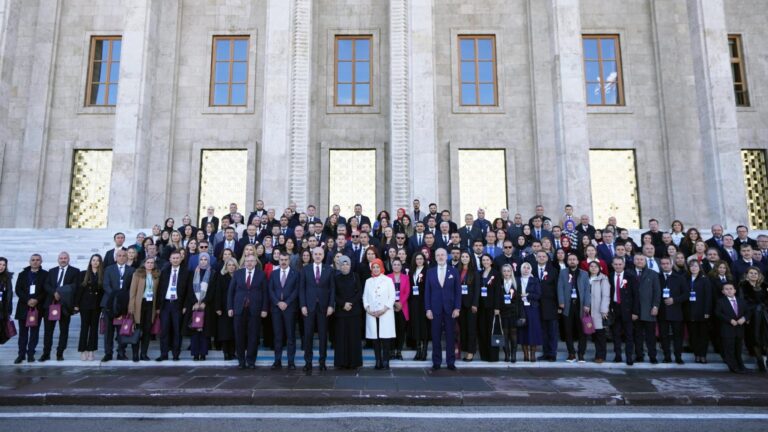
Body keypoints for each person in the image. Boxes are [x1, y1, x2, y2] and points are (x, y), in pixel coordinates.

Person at [228, 255, 268, 369]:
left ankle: (251, 361)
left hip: (255, 309)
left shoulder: (261, 274)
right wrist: (230, 307)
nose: (249, 263)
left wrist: (264, 309)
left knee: (253, 336)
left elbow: (265, 293)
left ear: (256, 262)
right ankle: (241, 361)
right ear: (244, 262)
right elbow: (231, 292)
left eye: (251, 261)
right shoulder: (238, 273)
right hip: (239, 309)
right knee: (239, 336)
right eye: (247, 261)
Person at [424, 248, 462, 370]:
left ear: (447, 257)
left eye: (443, 255)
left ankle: (451, 361)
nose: (440, 257)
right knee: (435, 336)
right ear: (435, 257)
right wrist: (428, 309)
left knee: (450, 336)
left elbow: (458, 291)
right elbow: (427, 292)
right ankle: (436, 361)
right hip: (435, 309)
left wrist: (457, 308)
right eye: (438, 255)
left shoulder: (454, 271)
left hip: (450, 309)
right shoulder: (430, 272)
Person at [300, 247, 335, 371]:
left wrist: (331, 305)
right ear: (312, 255)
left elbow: (332, 289)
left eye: (320, 254)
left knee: (323, 336)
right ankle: (308, 362)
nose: (318, 256)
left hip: (324, 307)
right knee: (308, 335)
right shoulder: (305, 269)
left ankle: (322, 361)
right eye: (316, 254)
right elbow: (302, 289)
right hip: (309, 307)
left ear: (323, 255)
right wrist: (303, 305)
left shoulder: (329, 270)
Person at [41, 251, 80, 362]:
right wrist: (55, 293)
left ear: (68, 259)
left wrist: (61, 293)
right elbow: (46, 285)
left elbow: (75, 287)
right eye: (61, 258)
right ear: (58, 259)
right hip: (51, 304)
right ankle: (46, 353)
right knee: (48, 331)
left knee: (64, 331)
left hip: (65, 305)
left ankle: (60, 353)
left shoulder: (75, 271)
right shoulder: (52, 271)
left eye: (65, 258)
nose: (63, 260)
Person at [156, 251, 190, 361]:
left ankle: (176, 354)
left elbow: (188, 291)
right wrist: (158, 307)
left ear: (181, 259)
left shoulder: (186, 272)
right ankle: (164, 354)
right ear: (170, 260)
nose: (175, 260)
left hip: (178, 304)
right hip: (165, 304)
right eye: (173, 258)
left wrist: (185, 305)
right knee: (164, 330)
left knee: (177, 331)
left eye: (177, 258)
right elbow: (159, 290)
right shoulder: (164, 271)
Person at [13, 254, 48, 364]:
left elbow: (45, 290)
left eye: (37, 260)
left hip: (37, 308)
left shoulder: (45, 274)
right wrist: (28, 300)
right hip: (24, 306)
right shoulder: (22, 274)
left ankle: (31, 354)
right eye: (33, 260)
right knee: (23, 333)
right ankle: (21, 355)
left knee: (34, 333)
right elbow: (18, 289)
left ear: (41, 261)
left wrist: (36, 300)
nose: (35, 262)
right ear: (29, 261)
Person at [101, 249, 134, 361]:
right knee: (109, 331)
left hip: (123, 305)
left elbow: (131, 288)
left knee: (122, 331)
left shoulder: (131, 270)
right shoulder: (108, 269)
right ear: (115, 257)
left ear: (127, 257)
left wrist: (122, 298)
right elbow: (106, 285)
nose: (121, 257)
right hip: (109, 304)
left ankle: (121, 352)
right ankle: (108, 353)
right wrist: (115, 296)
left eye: (124, 255)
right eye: (119, 255)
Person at [269, 251, 300, 370]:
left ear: (289, 261)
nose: (283, 262)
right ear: (278, 260)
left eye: (285, 260)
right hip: (276, 309)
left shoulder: (295, 274)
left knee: (290, 336)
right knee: (277, 336)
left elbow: (296, 290)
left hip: (290, 308)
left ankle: (291, 361)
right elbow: (270, 290)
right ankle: (277, 361)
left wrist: (286, 302)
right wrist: (278, 302)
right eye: (281, 260)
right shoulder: (273, 274)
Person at [363, 258, 396, 370]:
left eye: (377, 267)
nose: (376, 269)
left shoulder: (388, 280)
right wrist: (367, 308)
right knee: (375, 339)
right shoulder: (368, 281)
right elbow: (365, 297)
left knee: (385, 338)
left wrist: (384, 309)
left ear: (381, 267)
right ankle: (378, 360)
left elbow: (392, 296)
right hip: (372, 314)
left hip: (385, 313)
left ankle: (386, 361)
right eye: (373, 267)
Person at [558, 253, 590, 362]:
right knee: (568, 330)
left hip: (580, 306)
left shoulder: (584, 274)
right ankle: (571, 353)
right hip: (568, 305)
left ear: (577, 261)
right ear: (567, 261)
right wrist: (561, 301)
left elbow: (587, 291)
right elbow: (560, 287)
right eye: (570, 259)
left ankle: (581, 353)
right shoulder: (563, 273)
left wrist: (587, 304)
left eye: (574, 259)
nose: (572, 261)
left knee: (582, 331)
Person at [128, 257, 160, 362]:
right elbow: (132, 293)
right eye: (148, 262)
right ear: (144, 263)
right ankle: (135, 354)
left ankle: (144, 354)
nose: (150, 264)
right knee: (137, 330)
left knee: (147, 331)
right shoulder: (137, 274)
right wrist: (131, 307)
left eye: (152, 263)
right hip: (139, 304)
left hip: (151, 305)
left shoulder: (156, 275)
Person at [333, 255, 363, 369]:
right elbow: (334, 294)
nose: (345, 266)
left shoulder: (356, 276)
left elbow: (359, 292)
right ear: (339, 266)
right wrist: (343, 304)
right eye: (343, 264)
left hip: (354, 311)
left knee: (353, 337)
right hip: (341, 312)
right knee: (341, 338)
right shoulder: (336, 277)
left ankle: (354, 362)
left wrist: (351, 303)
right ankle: (342, 362)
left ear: (350, 265)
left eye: (347, 264)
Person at [184, 252, 215, 361]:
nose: (203, 261)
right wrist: (195, 302)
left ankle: (203, 354)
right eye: (201, 259)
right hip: (194, 306)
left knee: (204, 332)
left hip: (207, 306)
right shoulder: (193, 273)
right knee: (195, 330)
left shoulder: (213, 273)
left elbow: (213, 290)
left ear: (208, 261)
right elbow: (189, 290)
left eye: (205, 259)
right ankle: (195, 354)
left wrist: (204, 302)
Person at [75, 254, 104, 361]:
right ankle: (83, 350)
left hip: (96, 306)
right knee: (84, 327)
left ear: (100, 263)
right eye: (93, 260)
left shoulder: (102, 275)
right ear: (90, 261)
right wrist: (76, 304)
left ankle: (91, 350)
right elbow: (79, 290)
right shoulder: (83, 274)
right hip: (85, 305)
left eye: (98, 260)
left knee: (94, 328)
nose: (95, 262)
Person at [632, 255, 661, 364]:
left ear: (645, 261)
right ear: (634, 261)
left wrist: (655, 306)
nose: (639, 261)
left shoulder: (653, 274)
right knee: (638, 335)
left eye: (641, 259)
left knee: (650, 336)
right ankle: (639, 355)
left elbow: (657, 291)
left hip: (649, 309)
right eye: (637, 259)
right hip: (635, 311)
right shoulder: (629, 273)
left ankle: (652, 356)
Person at [715, 283, 750, 373]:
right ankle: (733, 367)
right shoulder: (720, 301)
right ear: (723, 292)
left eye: (731, 288)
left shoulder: (741, 301)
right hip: (727, 329)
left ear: (735, 290)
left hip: (739, 329)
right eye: (726, 289)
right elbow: (718, 313)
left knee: (738, 349)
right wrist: (729, 320)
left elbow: (748, 312)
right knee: (729, 349)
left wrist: (744, 318)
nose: (729, 290)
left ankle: (741, 366)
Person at [609, 256, 636, 365]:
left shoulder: (630, 276)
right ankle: (618, 355)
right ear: (612, 265)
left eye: (620, 264)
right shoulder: (610, 276)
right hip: (615, 309)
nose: (618, 266)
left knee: (629, 335)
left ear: (623, 265)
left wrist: (635, 312)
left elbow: (636, 295)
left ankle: (629, 356)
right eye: (615, 264)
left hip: (628, 310)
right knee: (616, 334)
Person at [741, 267, 768, 372]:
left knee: (765, 337)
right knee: (754, 337)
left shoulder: (764, 285)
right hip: (751, 316)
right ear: (747, 275)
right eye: (751, 273)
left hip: (764, 315)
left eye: (755, 273)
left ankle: (765, 359)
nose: (753, 275)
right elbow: (743, 302)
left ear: (759, 275)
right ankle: (760, 360)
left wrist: (763, 307)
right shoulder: (743, 286)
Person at [686, 259, 712, 363]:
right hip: (690, 311)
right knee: (693, 335)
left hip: (702, 312)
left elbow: (708, 296)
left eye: (696, 266)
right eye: (691, 266)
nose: (693, 268)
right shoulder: (686, 278)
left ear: (699, 267)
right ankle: (697, 354)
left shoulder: (704, 279)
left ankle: (703, 355)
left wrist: (707, 311)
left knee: (703, 335)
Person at [497, 264, 524, 362]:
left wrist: (522, 315)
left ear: (511, 272)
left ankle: (513, 355)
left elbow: (520, 301)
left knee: (513, 334)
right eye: (504, 271)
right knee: (504, 334)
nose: (506, 273)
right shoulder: (499, 283)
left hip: (514, 313)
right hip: (503, 313)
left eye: (508, 271)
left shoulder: (516, 283)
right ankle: (507, 354)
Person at [535, 251, 559, 361]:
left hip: (551, 305)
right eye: (539, 256)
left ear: (547, 258)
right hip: (537, 305)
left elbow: (557, 289)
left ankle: (552, 353)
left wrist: (559, 305)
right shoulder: (532, 270)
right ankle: (545, 352)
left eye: (543, 256)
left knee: (552, 331)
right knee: (543, 331)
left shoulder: (553, 271)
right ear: (536, 258)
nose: (541, 258)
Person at [477, 254, 501, 362]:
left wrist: (497, 307)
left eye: (487, 260)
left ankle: (493, 356)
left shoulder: (496, 273)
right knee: (482, 330)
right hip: (481, 306)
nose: (485, 262)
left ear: (491, 261)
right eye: (483, 260)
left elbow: (497, 292)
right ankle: (484, 355)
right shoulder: (480, 273)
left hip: (492, 306)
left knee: (491, 331)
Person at [457, 251, 479, 361]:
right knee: (463, 329)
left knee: (471, 329)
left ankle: (471, 352)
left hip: (471, 305)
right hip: (460, 304)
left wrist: (475, 304)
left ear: (470, 259)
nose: (464, 258)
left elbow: (476, 290)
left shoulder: (474, 272)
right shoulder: (457, 270)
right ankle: (465, 350)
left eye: (467, 256)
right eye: (463, 256)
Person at [214, 257, 238, 360]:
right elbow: (218, 293)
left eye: (233, 265)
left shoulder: (239, 277)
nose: (231, 267)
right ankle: (226, 353)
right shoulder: (221, 277)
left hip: (236, 307)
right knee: (225, 331)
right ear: (226, 266)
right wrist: (218, 307)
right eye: (229, 265)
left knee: (234, 331)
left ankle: (233, 352)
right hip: (224, 308)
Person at [586, 261, 610, 363]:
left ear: (599, 268)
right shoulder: (586, 278)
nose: (593, 268)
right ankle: (597, 355)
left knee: (600, 335)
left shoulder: (603, 279)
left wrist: (604, 309)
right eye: (591, 266)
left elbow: (606, 295)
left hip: (599, 310)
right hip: (588, 309)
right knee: (594, 335)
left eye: (596, 266)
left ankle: (601, 356)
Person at [387, 258, 411, 360]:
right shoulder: (388, 277)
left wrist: (400, 303)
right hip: (390, 307)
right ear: (392, 266)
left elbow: (407, 292)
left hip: (402, 306)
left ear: (401, 266)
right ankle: (392, 351)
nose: (396, 266)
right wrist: (393, 303)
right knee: (391, 330)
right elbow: (386, 292)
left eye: (398, 264)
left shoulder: (405, 277)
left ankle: (399, 351)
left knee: (401, 330)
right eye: (394, 264)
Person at [408, 252, 429, 360]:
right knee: (415, 325)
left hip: (424, 301)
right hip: (414, 302)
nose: (419, 261)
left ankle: (424, 351)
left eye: (421, 259)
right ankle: (418, 350)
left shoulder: (428, 271)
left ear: (424, 260)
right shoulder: (412, 271)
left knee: (424, 326)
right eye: (417, 259)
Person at [0, 258, 13, 347]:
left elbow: (9, 295)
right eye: (0, 264)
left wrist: (8, 311)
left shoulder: (7, 278)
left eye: (4, 265)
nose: (2, 267)